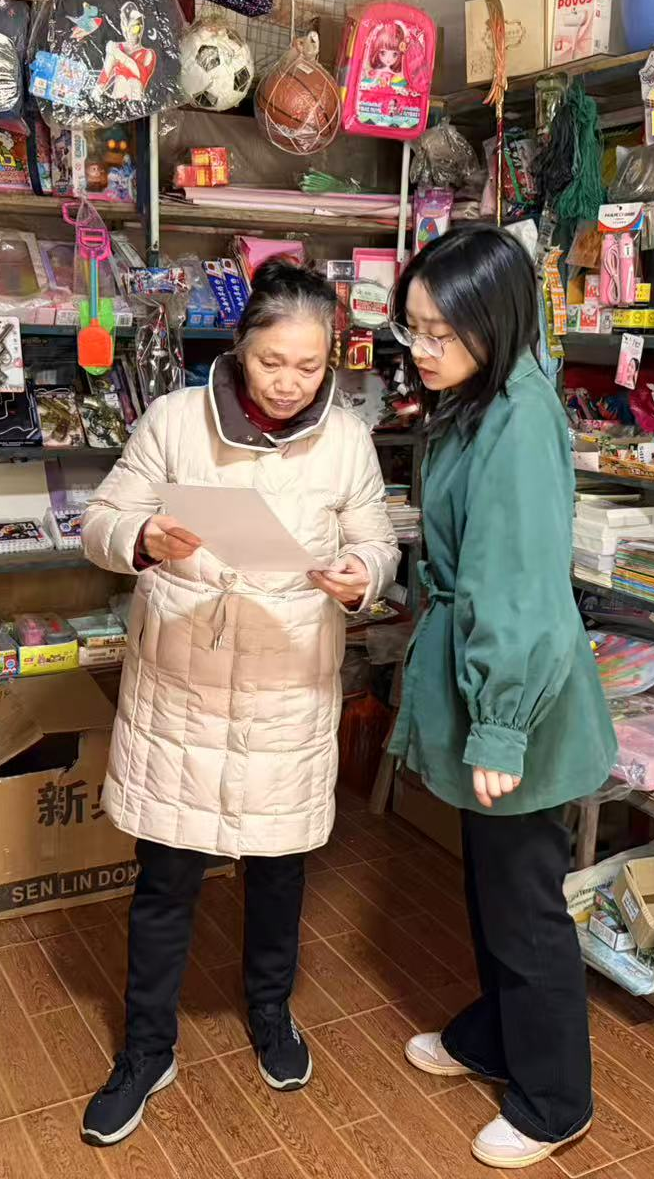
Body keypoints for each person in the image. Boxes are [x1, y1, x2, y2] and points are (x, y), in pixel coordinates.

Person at [78, 259, 399, 1147]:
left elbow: (376, 539)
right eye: (271, 362)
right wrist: (141, 535)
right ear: (238, 348)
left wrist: (362, 573)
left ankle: (269, 1012)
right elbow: (100, 520)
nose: (290, 383)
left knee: (279, 868)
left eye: (309, 366)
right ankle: (145, 1050)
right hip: (183, 680)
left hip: (285, 683)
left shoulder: (346, 438)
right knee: (166, 876)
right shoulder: (175, 419)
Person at [384, 225, 615, 1170]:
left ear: (497, 321)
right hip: (479, 676)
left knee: (523, 901)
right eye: (412, 329)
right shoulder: (476, 397)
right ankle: (494, 1035)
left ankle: (555, 1099)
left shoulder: (517, 421)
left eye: (440, 333)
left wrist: (500, 725)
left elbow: (516, 588)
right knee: (491, 884)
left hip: (517, 694)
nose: (421, 349)